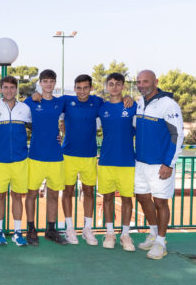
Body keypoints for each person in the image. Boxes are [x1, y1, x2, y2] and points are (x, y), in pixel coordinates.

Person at [134, 70, 184, 259]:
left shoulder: (169, 104)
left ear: (155, 82)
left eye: (145, 81)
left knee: (161, 202)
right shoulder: (139, 102)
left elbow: (177, 135)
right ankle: (153, 234)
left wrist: (168, 164)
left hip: (160, 165)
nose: (141, 85)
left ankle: (161, 242)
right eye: (138, 82)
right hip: (140, 163)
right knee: (143, 198)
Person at [24, 69, 67, 246]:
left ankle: (51, 229)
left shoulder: (61, 102)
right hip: (35, 155)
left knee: (54, 194)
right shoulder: (30, 101)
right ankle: (31, 228)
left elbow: (81, 110)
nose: (48, 84)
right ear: (40, 83)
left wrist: (65, 134)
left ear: (55, 83)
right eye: (45, 81)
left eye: (51, 81)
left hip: (55, 156)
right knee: (32, 193)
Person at [59, 75, 103, 245]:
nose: (82, 91)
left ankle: (87, 229)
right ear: (75, 88)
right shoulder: (66, 101)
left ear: (90, 88)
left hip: (89, 156)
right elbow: (48, 102)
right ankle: (69, 228)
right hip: (68, 155)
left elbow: (116, 104)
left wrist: (128, 98)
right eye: (79, 88)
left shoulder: (97, 102)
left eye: (85, 87)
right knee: (68, 192)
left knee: (89, 192)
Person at [0, 76, 31, 247]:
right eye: (5, 87)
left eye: (12, 87)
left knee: (17, 197)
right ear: (0, 90)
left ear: (16, 89)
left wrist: (57, 135)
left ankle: (17, 232)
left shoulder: (25, 109)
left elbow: (39, 128)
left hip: (20, 159)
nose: (9, 90)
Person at [98, 73, 137, 251]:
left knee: (127, 198)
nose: (114, 87)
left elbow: (140, 129)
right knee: (107, 198)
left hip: (127, 161)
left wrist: (130, 98)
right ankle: (109, 233)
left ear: (123, 86)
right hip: (106, 160)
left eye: (117, 84)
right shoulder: (101, 108)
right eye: (111, 84)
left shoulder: (132, 106)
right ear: (106, 86)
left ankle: (125, 235)